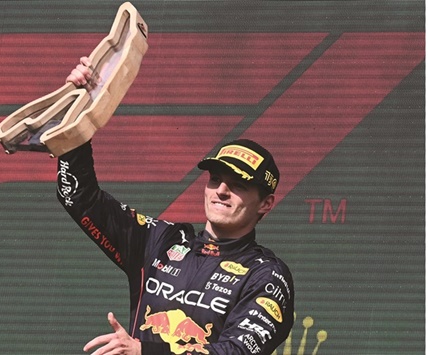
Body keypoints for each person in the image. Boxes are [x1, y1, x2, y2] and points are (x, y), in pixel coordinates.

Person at [57, 57, 294, 355]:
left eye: (238, 185)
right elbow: (80, 199)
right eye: (216, 179)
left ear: (266, 204)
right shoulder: (162, 241)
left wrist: (145, 351)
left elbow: (236, 352)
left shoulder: (267, 276)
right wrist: (79, 110)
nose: (221, 191)